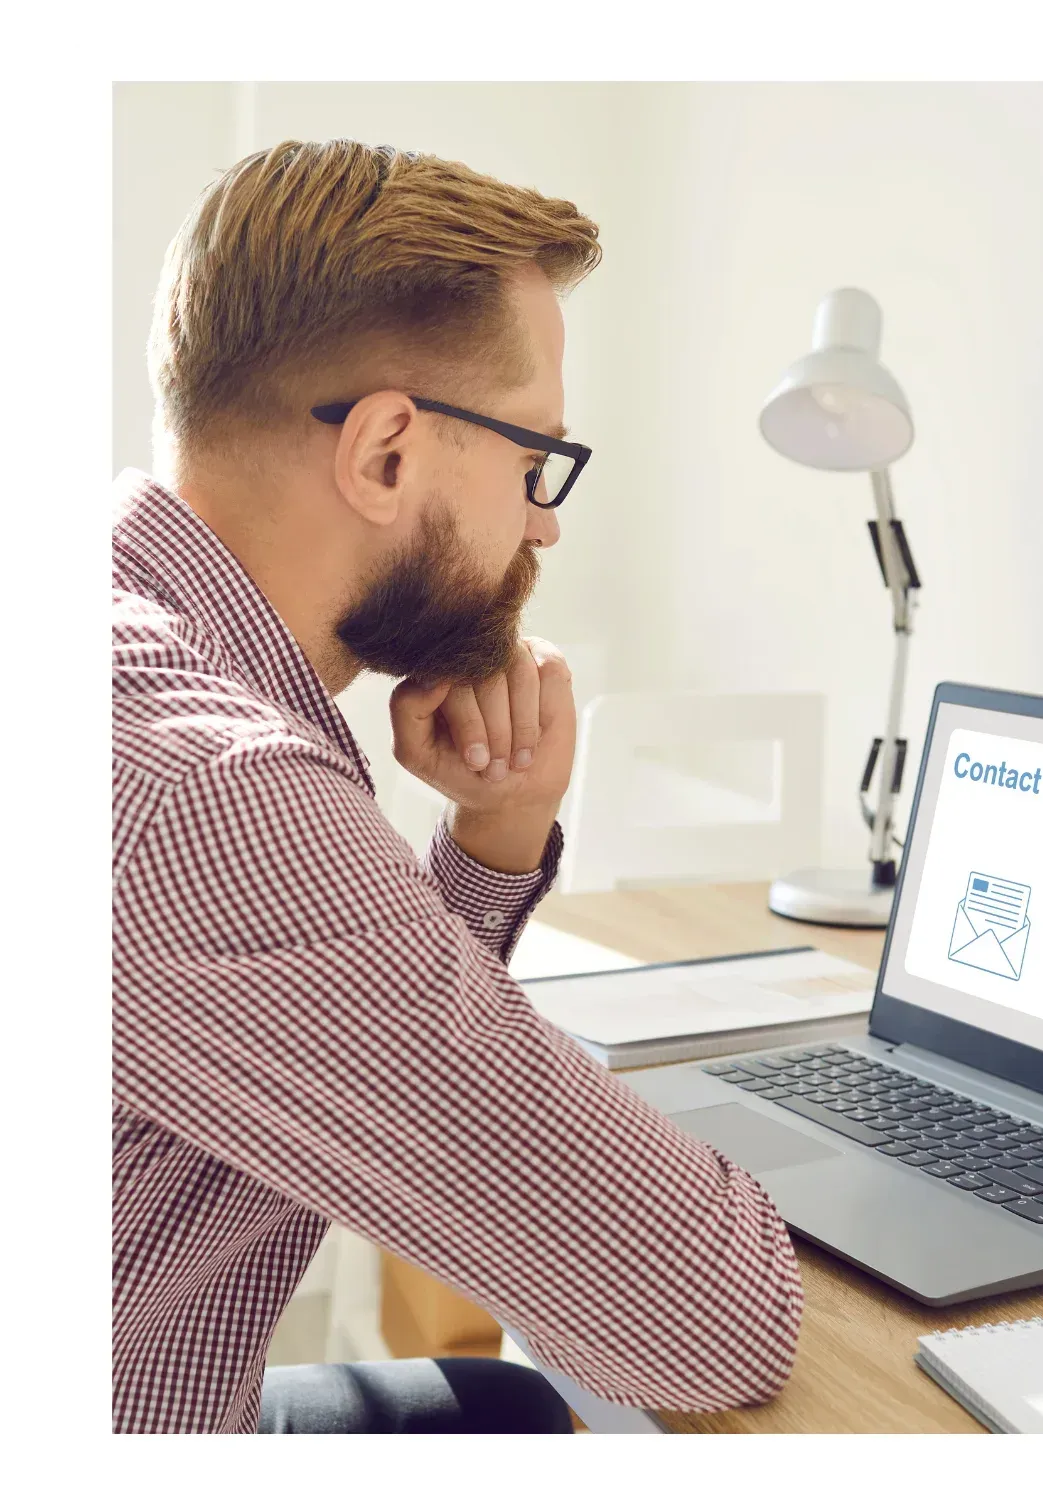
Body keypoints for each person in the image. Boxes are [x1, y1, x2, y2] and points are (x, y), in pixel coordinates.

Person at [112, 140, 803, 1435]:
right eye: (534, 459)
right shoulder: (211, 791)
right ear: (385, 454)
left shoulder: (135, 639)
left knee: (505, 1401)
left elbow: (353, 1044)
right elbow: (717, 1321)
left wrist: (494, 838)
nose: (542, 523)